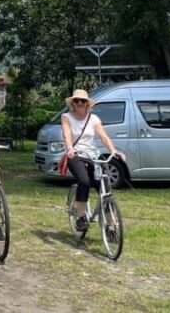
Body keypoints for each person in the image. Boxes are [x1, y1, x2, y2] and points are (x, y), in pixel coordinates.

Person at [61, 88, 126, 231]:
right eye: (76, 101)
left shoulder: (94, 119)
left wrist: (114, 151)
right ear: (72, 103)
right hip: (76, 155)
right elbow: (66, 134)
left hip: (92, 156)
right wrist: (70, 148)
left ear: (87, 104)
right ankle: (81, 217)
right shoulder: (67, 117)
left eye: (82, 101)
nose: (79, 103)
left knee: (104, 187)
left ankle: (110, 226)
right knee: (84, 181)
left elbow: (103, 137)